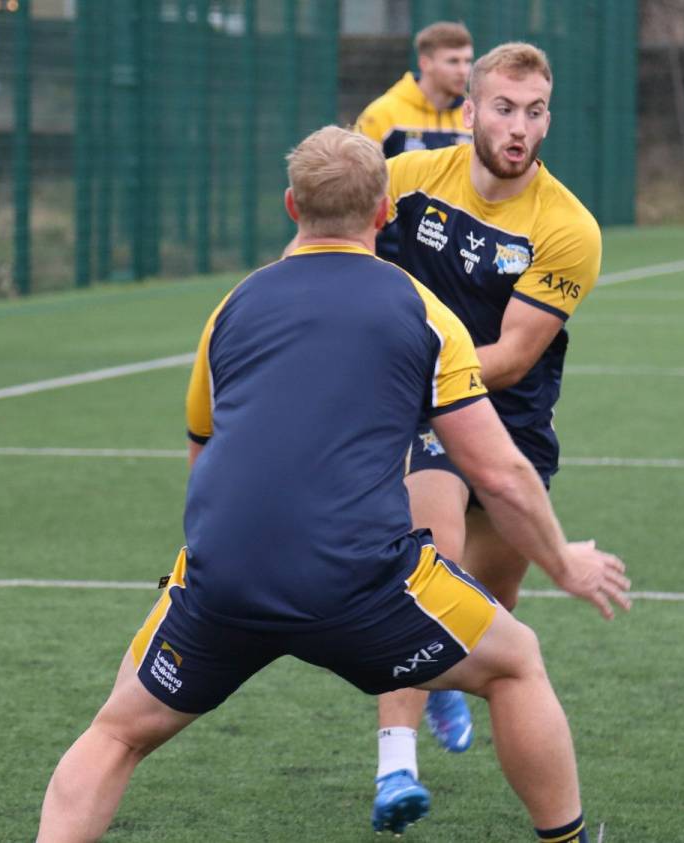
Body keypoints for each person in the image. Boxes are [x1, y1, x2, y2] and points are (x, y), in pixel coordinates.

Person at [36, 126, 629, 843]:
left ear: (291, 206)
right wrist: (565, 562)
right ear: (384, 213)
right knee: (516, 661)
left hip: (225, 577)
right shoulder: (422, 309)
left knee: (117, 732)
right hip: (360, 581)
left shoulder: (232, 308)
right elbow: (499, 470)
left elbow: (205, 451)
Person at [366, 41, 608, 833]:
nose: (520, 126)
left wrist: (419, 370)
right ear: (468, 112)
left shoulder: (568, 227)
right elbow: (338, 246)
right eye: (504, 108)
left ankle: (439, 686)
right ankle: (394, 764)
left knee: (489, 616)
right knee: (424, 559)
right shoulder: (406, 180)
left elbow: (510, 357)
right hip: (424, 413)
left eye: (535, 111)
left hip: (511, 420)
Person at [355, 21, 474, 157]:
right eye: (453, 61)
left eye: (468, 61)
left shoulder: (475, 117)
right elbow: (358, 173)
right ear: (425, 63)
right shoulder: (382, 114)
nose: (463, 70)